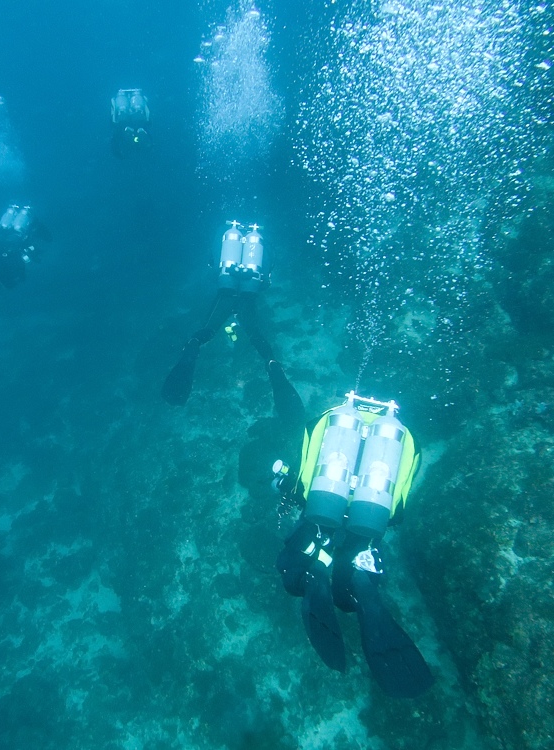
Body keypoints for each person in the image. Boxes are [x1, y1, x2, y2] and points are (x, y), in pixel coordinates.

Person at [272, 391, 433, 698]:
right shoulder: (407, 441)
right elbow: (397, 511)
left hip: (321, 513)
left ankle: (317, 570)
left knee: (292, 571)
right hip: (368, 521)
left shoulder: (324, 422)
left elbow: (302, 481)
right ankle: (362, 588)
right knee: (350, 588)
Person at [162, 221, 301, 424]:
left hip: (225, 292)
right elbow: (268, 271)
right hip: (249, 293)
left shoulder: (224, 236)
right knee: (254, 335)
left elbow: (213, 263)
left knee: (205, 333)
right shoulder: (263, 244)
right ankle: (274, 370)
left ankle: (185, 367)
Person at [0, 204, 51, 289]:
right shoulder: (10, 247)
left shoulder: (4, 257)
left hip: (7, 243)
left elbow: (20, 266)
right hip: (9, 241)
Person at [110, 88, 151, 158]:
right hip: (138, 118)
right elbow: (147, 112)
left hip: (123, 119)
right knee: (138, 130)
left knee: (121, 132)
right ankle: (135, 133)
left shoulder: (115, 100)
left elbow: (115, 142)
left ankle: (130, 132)